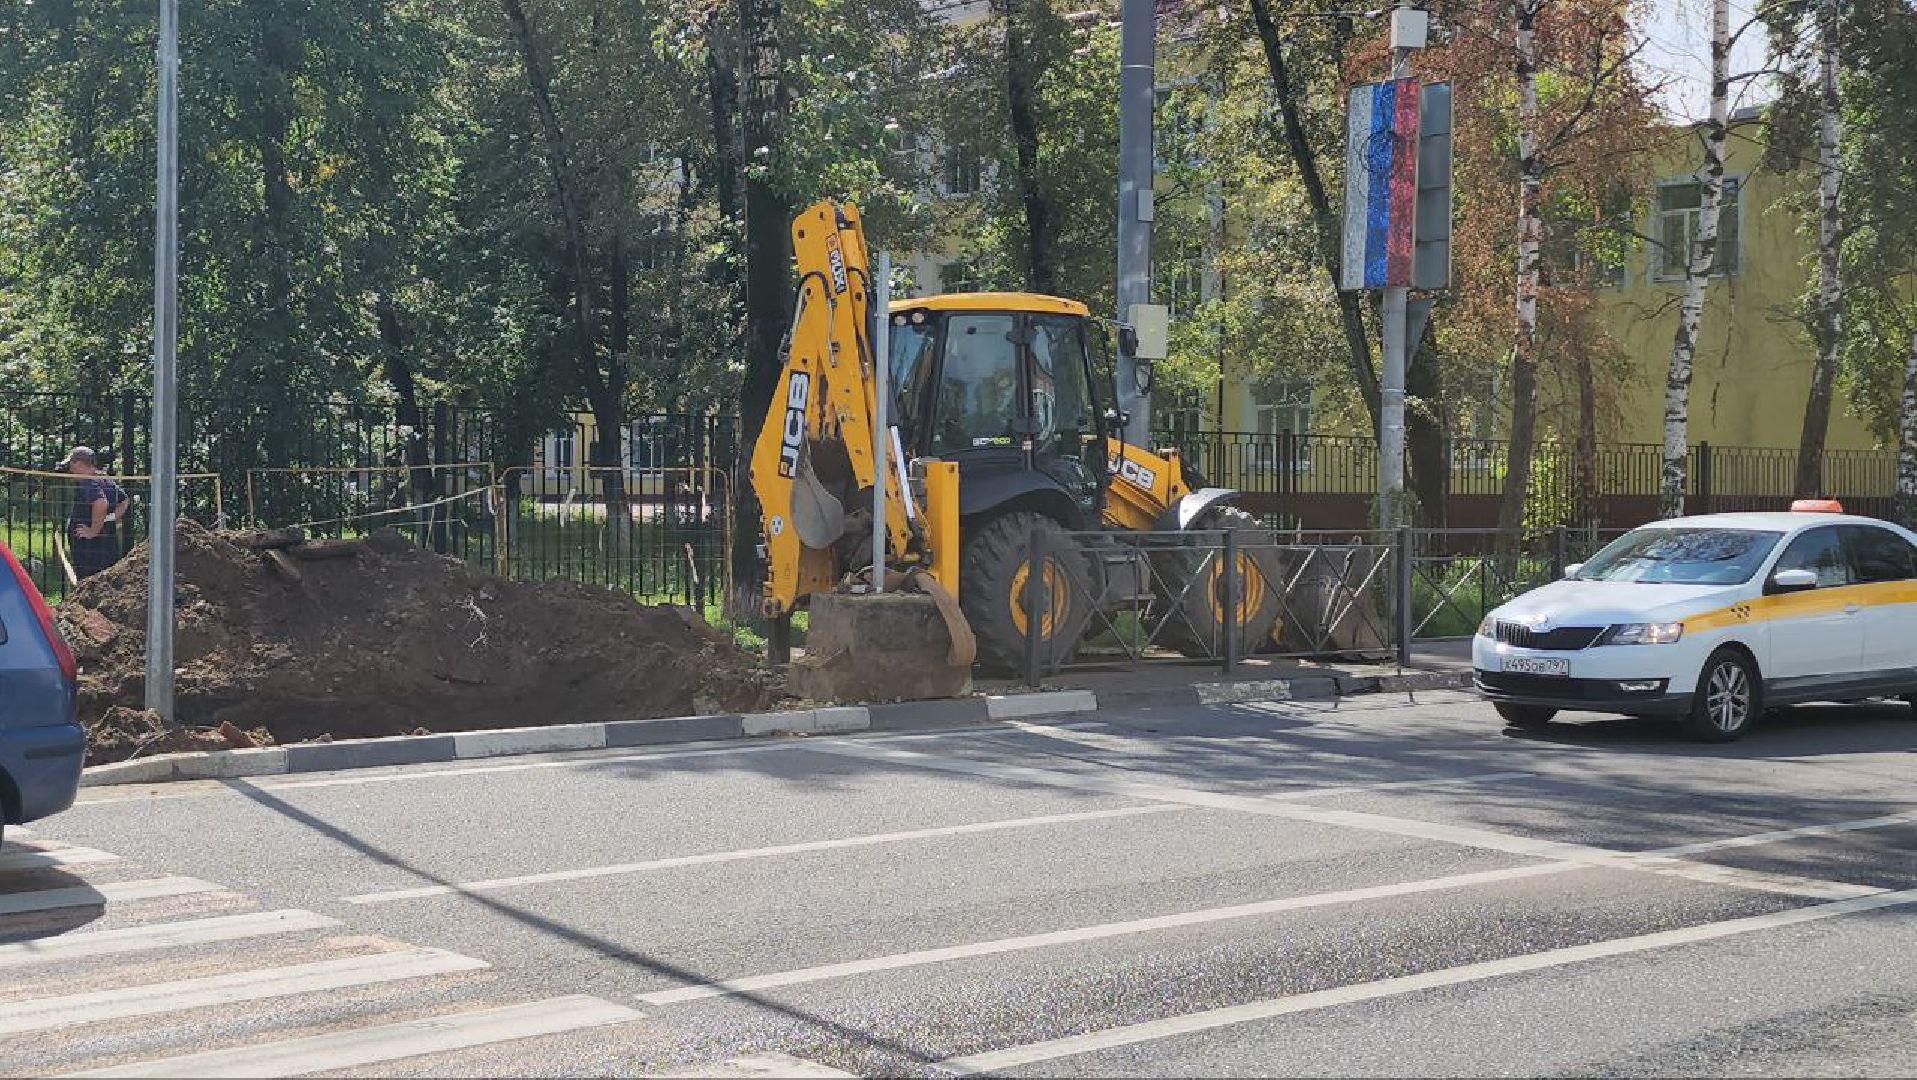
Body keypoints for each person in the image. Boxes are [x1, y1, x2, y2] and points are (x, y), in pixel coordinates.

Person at [60, 446, 130, 579]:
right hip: (107, 546)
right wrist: (109, 518)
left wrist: (93, 530)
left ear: (79, 464)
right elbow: (124, 500)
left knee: (90, 586)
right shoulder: (107, 481)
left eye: (71, 465)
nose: (70, 470)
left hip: (90, 550)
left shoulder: (88, 483)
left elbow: (101, 503)